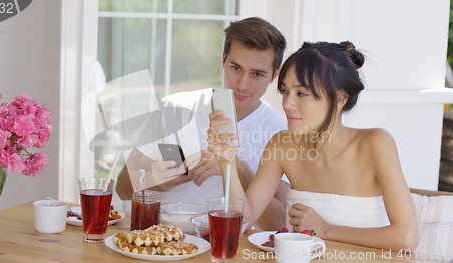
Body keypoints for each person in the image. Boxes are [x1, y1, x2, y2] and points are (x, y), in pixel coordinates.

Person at [207, 41, 419, 250]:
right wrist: (226, 160)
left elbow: (406, 238)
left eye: (301, 94)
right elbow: (243, 221)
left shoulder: (376, 143)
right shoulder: (282, 145)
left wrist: (327, 230)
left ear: (340, 97)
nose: (287, 104)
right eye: (285, 91)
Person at [115, 17, 289, 230]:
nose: (243, 84)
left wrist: (237, 168)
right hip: (166, 241)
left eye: (257, 74)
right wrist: (154, 180)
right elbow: (122, 187)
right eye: (236, 68)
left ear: (275, 75)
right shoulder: (174, 107)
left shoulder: (281, 131)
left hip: (232, 246)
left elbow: (280, 223)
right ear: (223, 59)